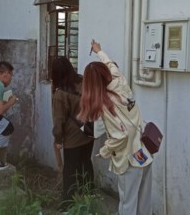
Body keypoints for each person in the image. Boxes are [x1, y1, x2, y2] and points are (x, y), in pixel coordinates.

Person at [77, 40, 153, 215]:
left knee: (128, 204)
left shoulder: (105, 105)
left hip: (129, 159)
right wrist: (99, 51)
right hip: (145, 150)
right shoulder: (120, 82)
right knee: (144, 201)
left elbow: (120, 136)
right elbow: (110, 65)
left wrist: (104, 151)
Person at [51, 57, 95, 211]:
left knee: (70, 170)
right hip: (89, 132)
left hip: (72, 137)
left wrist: (58, 139)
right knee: (86, 164)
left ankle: (67, 205)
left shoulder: (61, 93)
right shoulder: (83, 82)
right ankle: (89, 195)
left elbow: (59, 120)